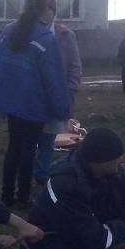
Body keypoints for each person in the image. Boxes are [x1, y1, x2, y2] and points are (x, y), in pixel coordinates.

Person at [0, 0, 71, 208]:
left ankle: (6, 195)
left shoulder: (9, 31)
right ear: (44, 11)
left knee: (14, 148)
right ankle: (23, 197)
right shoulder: (46, 39)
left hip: (11, 102)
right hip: (33, 104)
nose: (53, 15)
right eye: (52, 10)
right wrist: (63, 110)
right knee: (28, 151)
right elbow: (53, 79)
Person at [33, 22, 83, 185]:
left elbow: (75, 66)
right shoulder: (28, 32)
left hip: (56, 95)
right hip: (33, 96)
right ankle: (28, 171)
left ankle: (42, 174)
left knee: (48, 137)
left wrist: (70, 92)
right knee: (30, 138)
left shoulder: (65, 36)